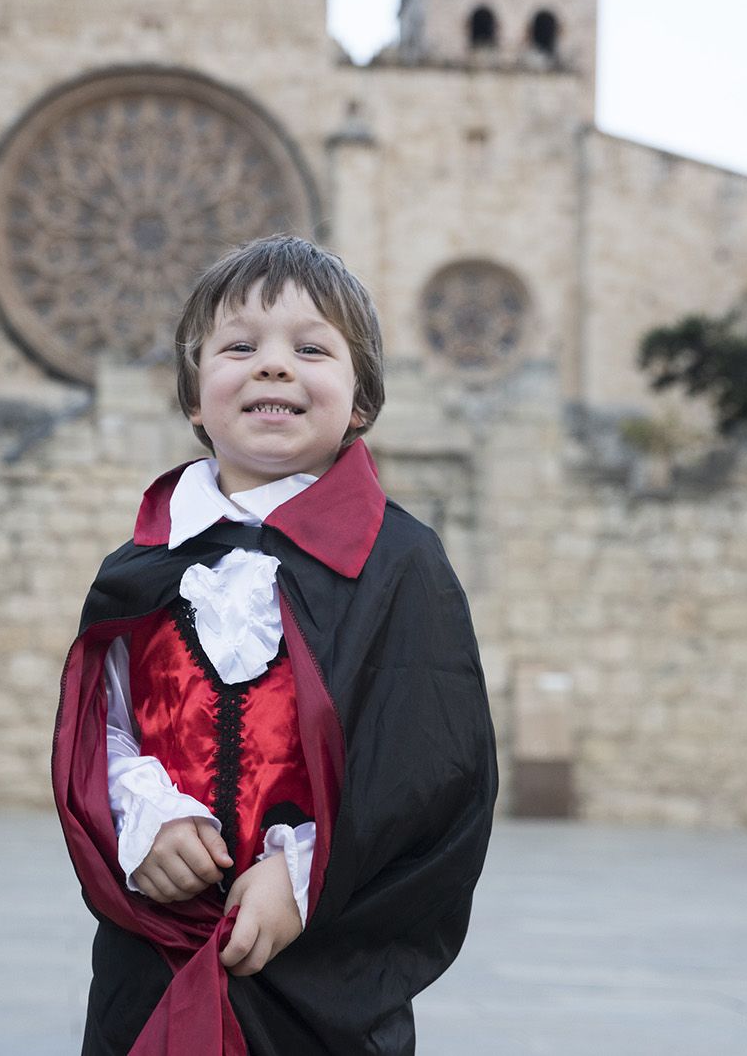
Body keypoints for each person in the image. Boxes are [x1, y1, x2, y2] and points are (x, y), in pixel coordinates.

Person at [52, 234, 497, 1055]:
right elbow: (101, 731)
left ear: (359, 401)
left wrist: (302, 878)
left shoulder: (401, 564)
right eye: (240, 346)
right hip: (152, 961)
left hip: (320, 977)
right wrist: (144, 817)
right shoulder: (142, 564)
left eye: (312, 348)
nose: (273, 365)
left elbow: (430, 770)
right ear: (195, 396)